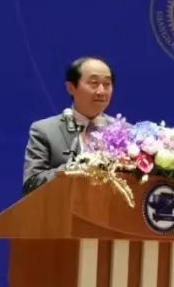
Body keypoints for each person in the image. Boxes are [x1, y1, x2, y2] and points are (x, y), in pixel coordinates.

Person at [22, 56, 115, 195]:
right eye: (94, 83)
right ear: (71, 88)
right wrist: (76, 168)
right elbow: (31, 184)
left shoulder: (126, 132)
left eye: (107, 84)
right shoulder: (45, 131)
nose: (101, 91)